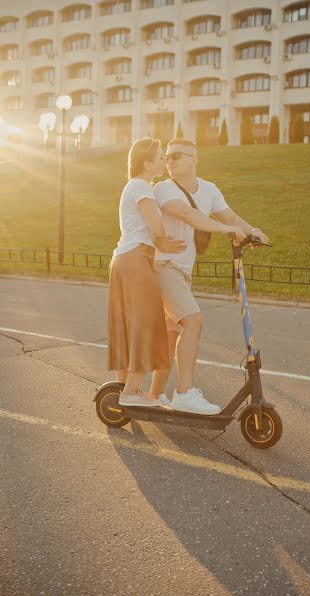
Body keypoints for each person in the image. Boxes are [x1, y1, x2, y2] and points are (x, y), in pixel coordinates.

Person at [149, 138, 271, 415]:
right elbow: (187, 215)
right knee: (193, 320)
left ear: (194, 158)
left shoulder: (209, 189)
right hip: (163, 266)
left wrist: (254, 231)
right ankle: (184, 393)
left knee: (171, 334)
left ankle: (154, 396)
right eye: (167, 157)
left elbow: (230, 216)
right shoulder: (163, 189)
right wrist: (225, 230)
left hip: (182, 271)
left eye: (177, 155)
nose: (169, 160)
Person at [108, 137, 187, 408]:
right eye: (159, 156)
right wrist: (164, 240)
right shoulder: (142, 186)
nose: (163, 161)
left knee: (127, 326)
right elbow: (155, 226)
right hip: (135, 260)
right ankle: (131, 393)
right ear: (146, 161)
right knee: (147, 324)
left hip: (123, 259)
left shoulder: (134, 186)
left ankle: (124, 389)